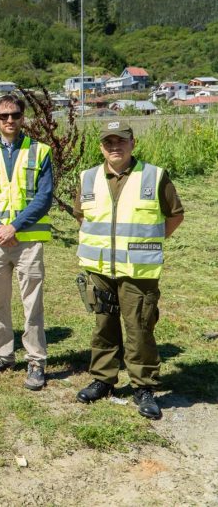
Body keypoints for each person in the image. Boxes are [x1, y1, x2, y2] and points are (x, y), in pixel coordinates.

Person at [74, 120, 184, 420]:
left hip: (138, 270)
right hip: (99, 269)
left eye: (121, 141)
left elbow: (175, 215)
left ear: (132, 143)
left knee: (139, 328)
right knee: (103, 326)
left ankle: (144, 387)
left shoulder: (154, 175)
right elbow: (81, 216)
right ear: (101, 147)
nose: (115, 146)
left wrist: (149, 241)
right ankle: (103, 380)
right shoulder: (87, 178)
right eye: (108, 142)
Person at [0, 94, 53, 390]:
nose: (9, 120)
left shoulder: (40, 152)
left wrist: (15, 227)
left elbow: (44, 197)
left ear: (23, 118)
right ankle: (3, 355)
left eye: (15, 115)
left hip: (28, 240)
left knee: (32, 303)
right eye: (4, 116)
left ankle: (35, 360)